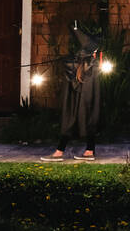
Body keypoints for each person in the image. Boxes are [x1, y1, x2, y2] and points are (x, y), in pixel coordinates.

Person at [41, 24, 102, 162]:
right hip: (79, 103)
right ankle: (69, 151)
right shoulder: (81, 65)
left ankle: (84, 151)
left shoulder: (89, 66)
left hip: (85, 102)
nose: (96, 53)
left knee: (86, 118)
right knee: (81, 119)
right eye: (94, 50)